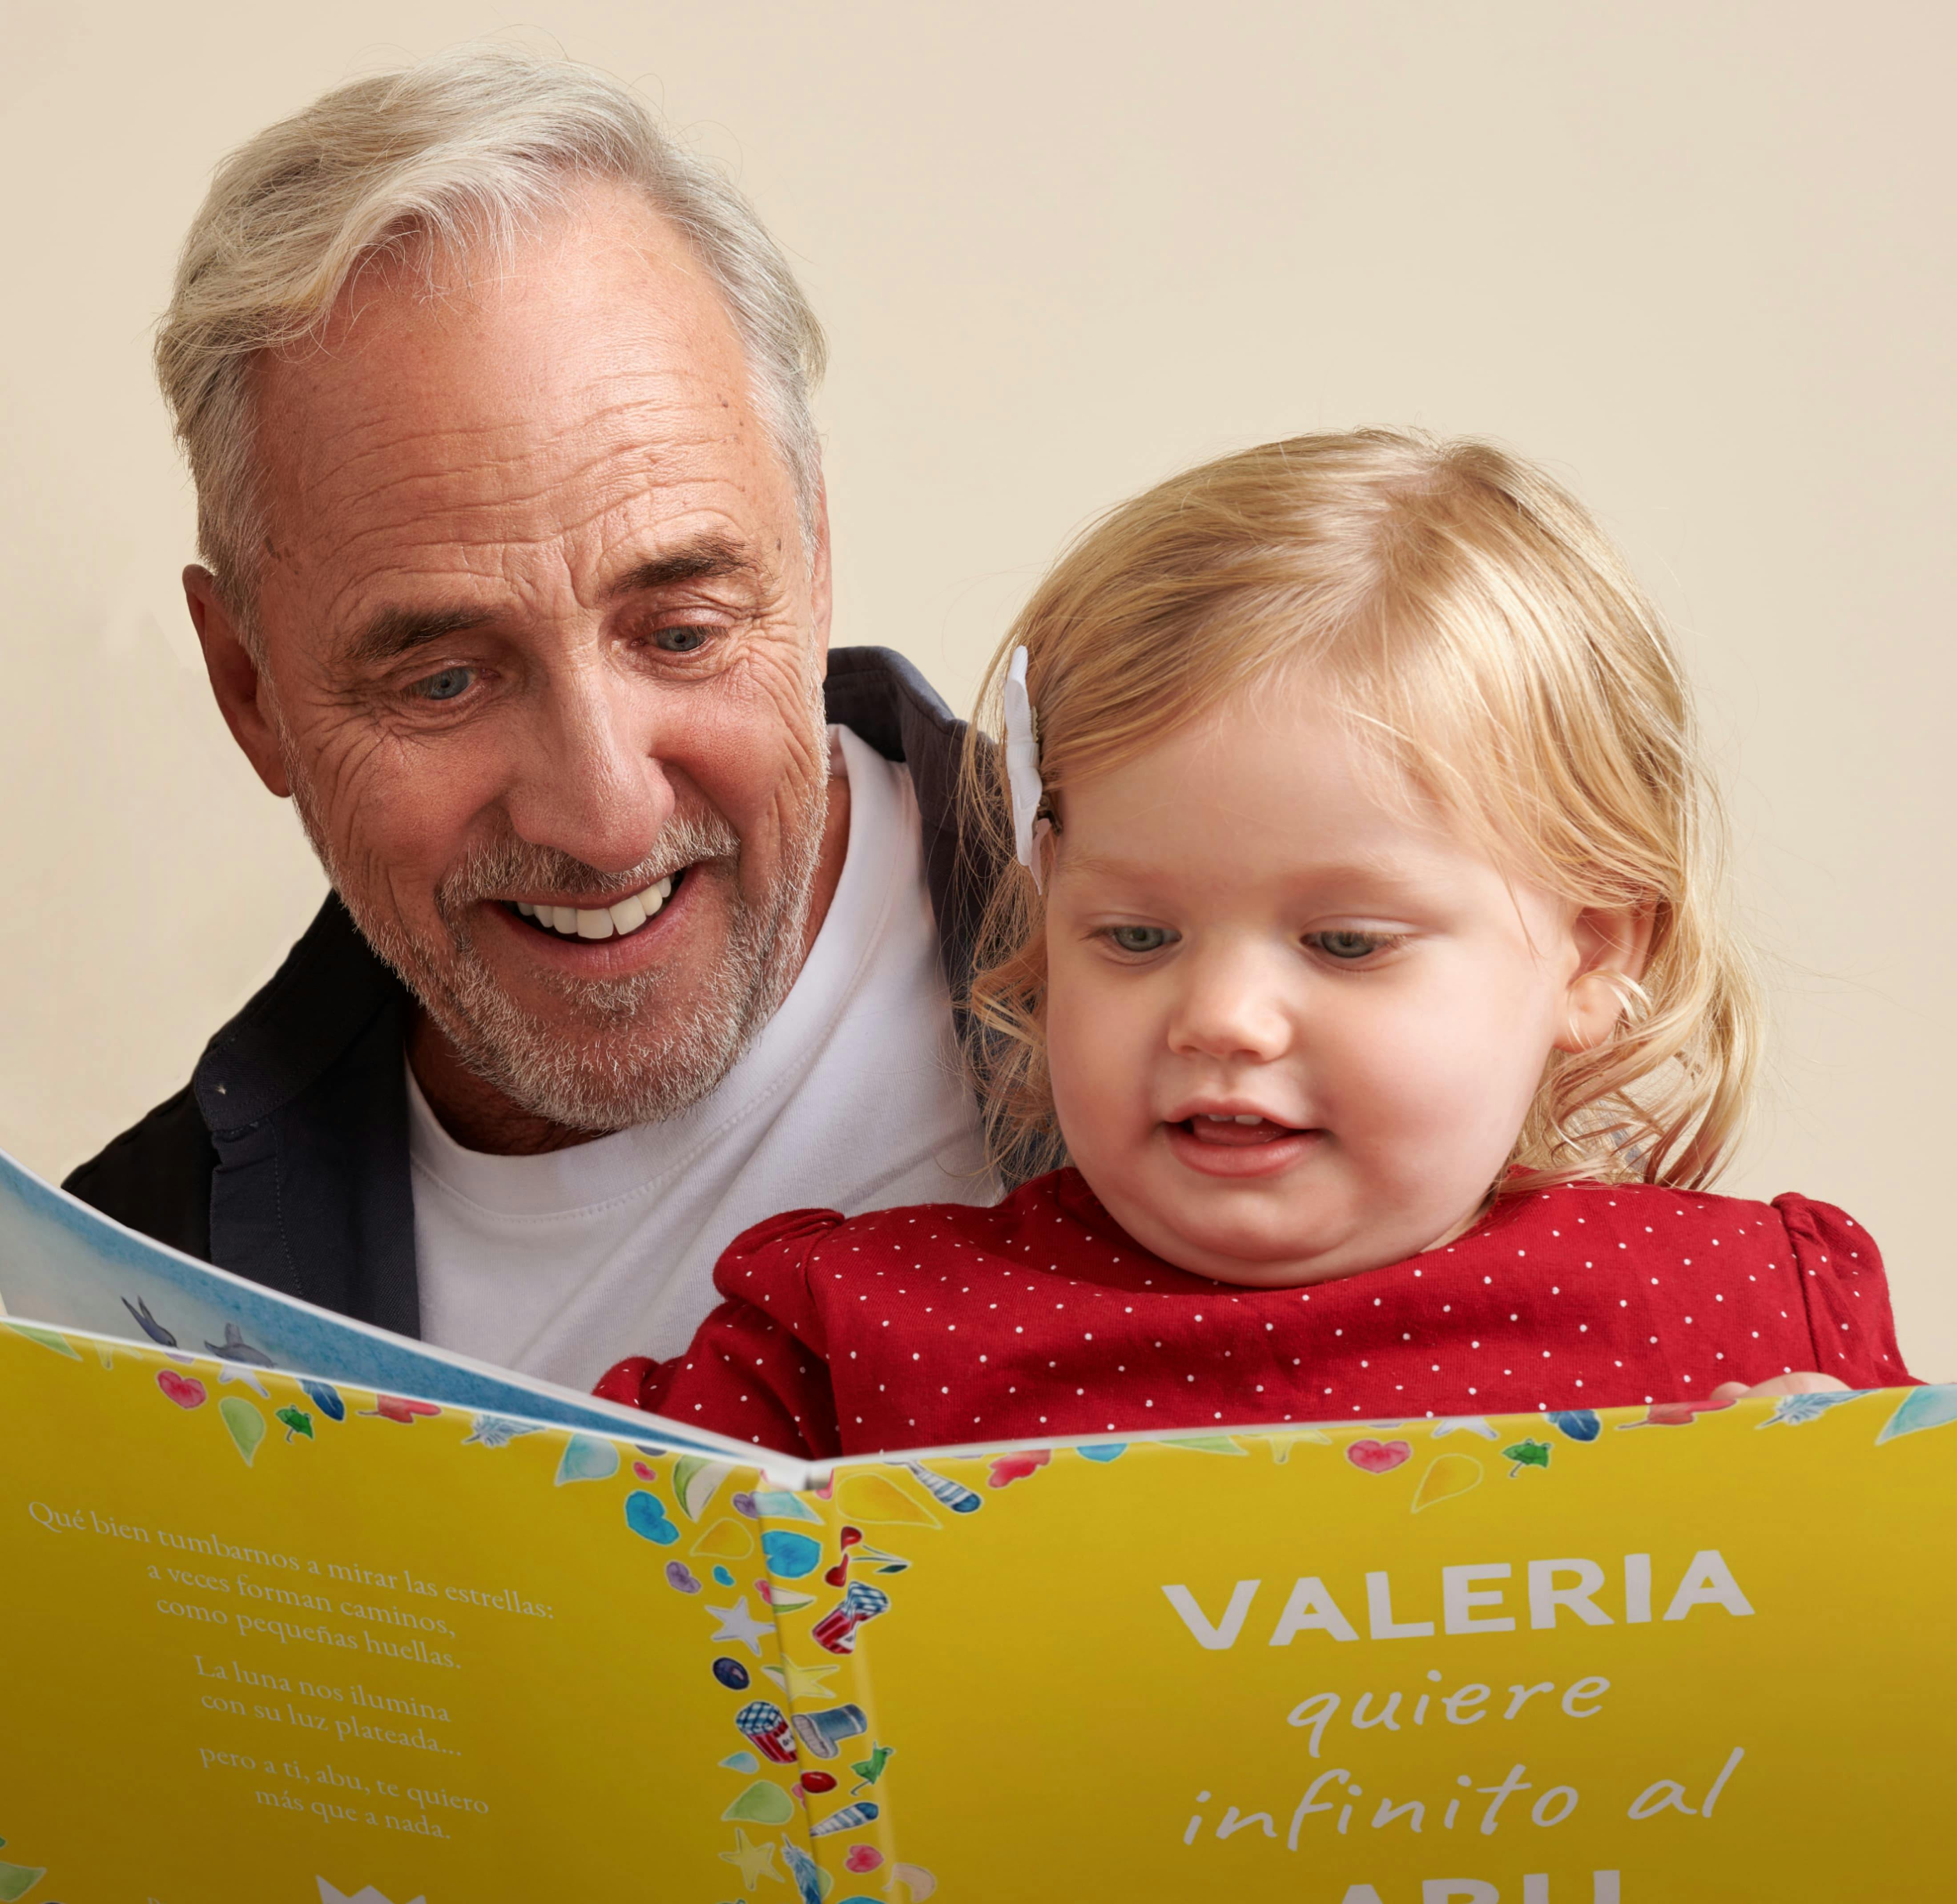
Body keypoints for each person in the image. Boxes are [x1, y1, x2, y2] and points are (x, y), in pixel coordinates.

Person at [599, 429, 1914, 1452]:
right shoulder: (855, 1342)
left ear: (1589, 957)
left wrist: (1858, 1564)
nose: (1221, 1016)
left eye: (1345, 943)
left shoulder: (1742, 1321)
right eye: (1134, 933)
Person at [62, 47, 1000, 1389]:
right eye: (445, 680)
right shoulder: (104, 1322)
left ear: (814, 558)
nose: (607, 816)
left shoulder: (1295, 1010)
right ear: (250, 689)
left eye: (679, 633)